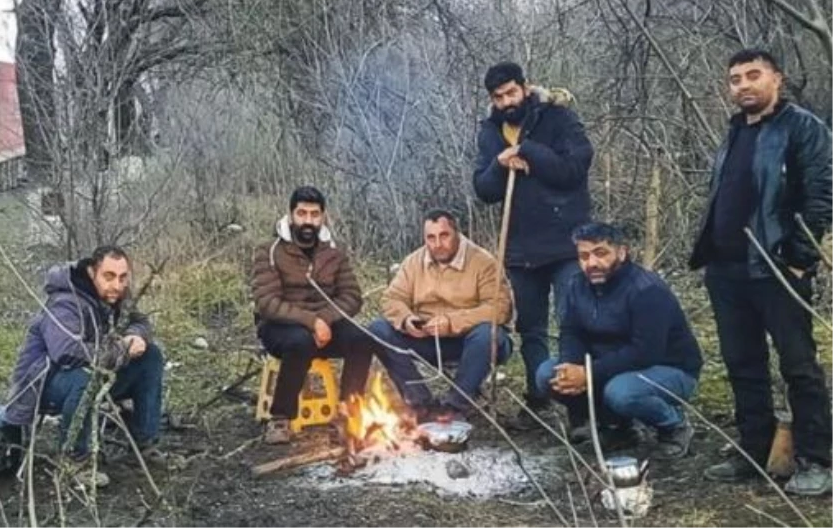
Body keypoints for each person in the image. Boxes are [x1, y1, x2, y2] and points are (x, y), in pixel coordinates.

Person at [689, 49, 833, 495]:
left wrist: (798, 258)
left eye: (754, 75)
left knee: (798, 365)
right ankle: (755, 450)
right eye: (735, 79)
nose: (744, 85)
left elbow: (822, 194)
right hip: (728, 270)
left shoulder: (803, 128)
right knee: (742, 364)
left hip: (777, 268)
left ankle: (816, 459)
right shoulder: (734, 131)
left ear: (777, 79)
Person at [473, 61, 593, 427]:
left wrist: (530, 152)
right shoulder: (491, 131)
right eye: (498, 97)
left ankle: (579, 410)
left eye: (511, 92)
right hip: (521, 248)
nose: (507, 101)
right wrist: (500, 163)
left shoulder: (557, 118)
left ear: (525, 88)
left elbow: (575, 169)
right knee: (531, 329)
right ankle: (539, 401)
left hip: (565, 241)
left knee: (573, 321)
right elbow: (484, 190)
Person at [536, 223, 702, 460]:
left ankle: (674, 426)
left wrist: (588, 374)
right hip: (607, 365)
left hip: (668, 369)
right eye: (584, 256)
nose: (591, 263)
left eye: (600, 253)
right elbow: (571, 331)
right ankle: (617, 429)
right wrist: (570, 368)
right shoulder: (577, 285)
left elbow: (645, 352)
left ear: (622, 252)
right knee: (547, 375)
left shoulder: (646, 289)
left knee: (622, 392)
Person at [4, 246, 163, 488]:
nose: (117, 285)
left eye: (123, 277)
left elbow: (139, 321)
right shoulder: (65, 302)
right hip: (44, 385)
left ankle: (145, 443)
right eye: (109, 276)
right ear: (92, 272)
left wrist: (136, 336)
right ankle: (74, 461)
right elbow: (67, 353)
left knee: (151, 356)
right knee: (85, 375)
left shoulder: (115, 295)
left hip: (96, 374)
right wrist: (122, 349)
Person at [250, 186, 374, 444]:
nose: (308, 221)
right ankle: (280, 418)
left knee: (362, 339)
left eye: (314, 214)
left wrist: (326, 319)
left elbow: (352, 296)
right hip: (280, 327)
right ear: (291, 214)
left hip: (325, 323)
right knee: (300, 341)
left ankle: (348, 412)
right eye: (302, 213)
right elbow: (267, 303)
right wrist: (311, 322)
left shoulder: (334, 250)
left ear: (323, 217)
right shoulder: (270, 251)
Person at [369, 210, 513, 422]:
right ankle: (421, 404)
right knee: (379, 329)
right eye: (431, 237)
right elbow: (392, 299)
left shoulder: (483, 262)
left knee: (486, 333)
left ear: (456, 233)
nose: (437, 243)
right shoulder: (413, 262)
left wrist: (452, 322)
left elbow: (499, 308)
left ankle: (454, 407)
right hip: (427, 338)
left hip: (471, 342)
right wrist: (408, 319)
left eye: (444, 235)